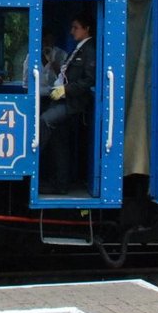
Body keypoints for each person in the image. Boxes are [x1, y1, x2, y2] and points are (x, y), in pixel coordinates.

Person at [39, 13, 96, 194]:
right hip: (63, 99)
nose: (72, 32)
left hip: (73, 103)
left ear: (87, 29)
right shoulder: (78, 49)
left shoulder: (89, 50)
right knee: (59, 143)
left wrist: (66, 89)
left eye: (75, 27)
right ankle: (60, 184)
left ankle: (33, 157)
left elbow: (89, 80)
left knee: (44, 120)